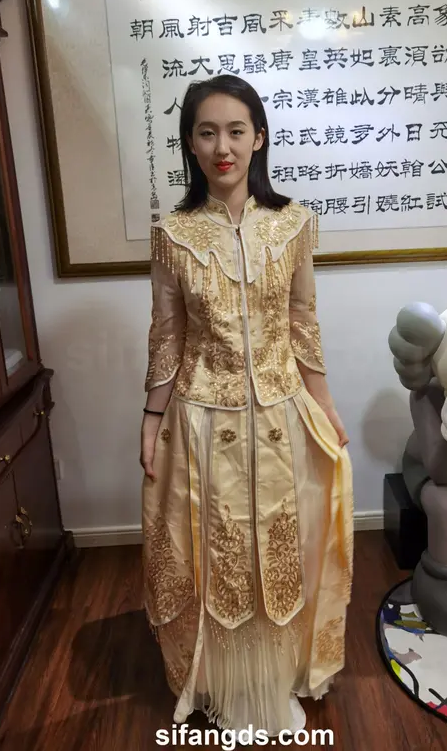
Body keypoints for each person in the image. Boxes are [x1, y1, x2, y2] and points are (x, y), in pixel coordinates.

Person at [140, 74, 353, 736]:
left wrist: (324, 404)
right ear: (191, 144)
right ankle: (227, 688)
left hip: (280, 414)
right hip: (203, 419)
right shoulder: (173, 233)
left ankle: (277, 679)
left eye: (236, 131)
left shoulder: (293, 224)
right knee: (220, 554)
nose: (222, 147)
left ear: (259, 138)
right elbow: (167, 333)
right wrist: (150, 419)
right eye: (207, 133)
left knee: (282, 547)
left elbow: (302, 321)